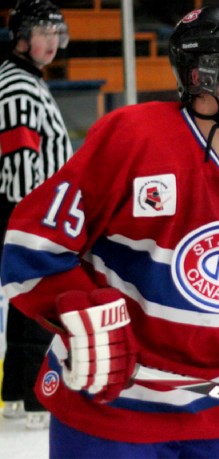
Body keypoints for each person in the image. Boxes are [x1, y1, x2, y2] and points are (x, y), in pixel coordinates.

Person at [0, 4, 219, 457]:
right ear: (199, 78)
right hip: (110, 408)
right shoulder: (133, 139)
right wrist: (79, 311)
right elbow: (32, 245)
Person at [0, 0, 71, 430]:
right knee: (38, 301)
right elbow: (20, 161)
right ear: (22, 37)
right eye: (41, 32)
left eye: (54, 32)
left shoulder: (25, 79)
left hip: (26, 210)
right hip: (27, 212)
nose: (50, 41)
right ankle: (32, 397)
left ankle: (13, 393)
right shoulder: (19, 87)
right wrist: (38, 221)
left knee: (25, 303)